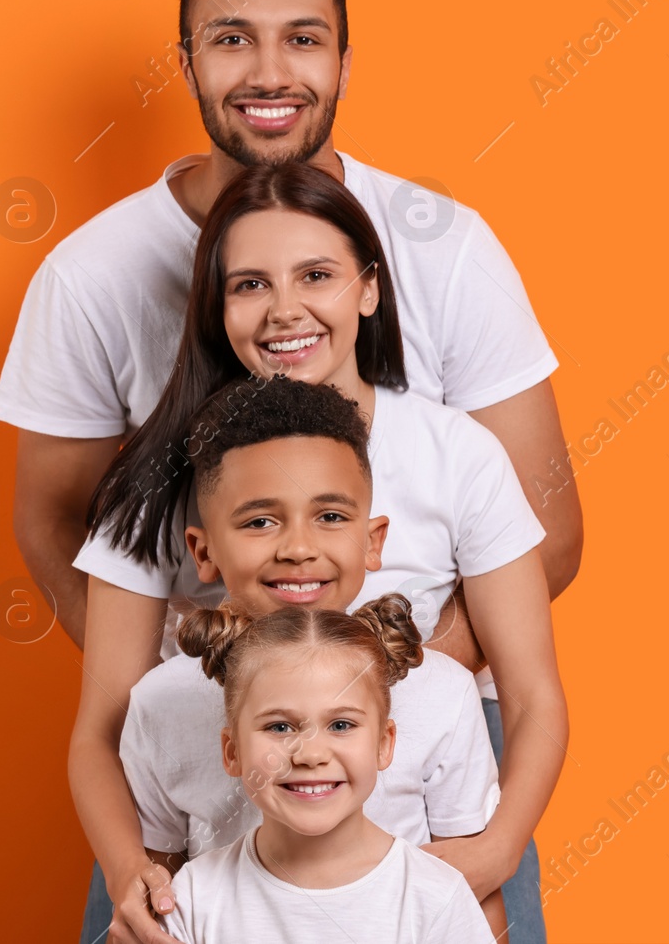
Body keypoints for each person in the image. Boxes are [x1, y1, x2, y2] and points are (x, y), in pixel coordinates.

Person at [0, 0, 577, 942]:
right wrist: (214, 693)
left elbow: (546, 548)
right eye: (231, 38)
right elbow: (53, 524)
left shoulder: (450, 257)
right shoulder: (100, 293)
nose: (270, 71)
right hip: (203, 763)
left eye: (302, 38)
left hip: (426, 760)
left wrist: (371, 690)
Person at [70, 165, 565, 944]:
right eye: (249, 285)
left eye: (317, 275)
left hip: (424, 814)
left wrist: (490, 852)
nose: (284, 309)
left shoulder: (454, 453)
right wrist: (134, 869)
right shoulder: (167, 474)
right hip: (215, 833)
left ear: (369, 289)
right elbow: (104, 724)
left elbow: (533, 693)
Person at [119, 379, 507, 934]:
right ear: (202, 551)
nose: (298, 549)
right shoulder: (160, 704)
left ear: (373, 542)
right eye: (259, 521)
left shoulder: (444, 693)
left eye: (329, 516)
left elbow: (474, 888)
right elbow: (160, 893)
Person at [161, 603, 495, 944]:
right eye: (279, 726)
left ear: (383, 744)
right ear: (233, 752)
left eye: (340, 724)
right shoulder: (192, 898)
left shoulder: (437, 897)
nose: (311, 755)